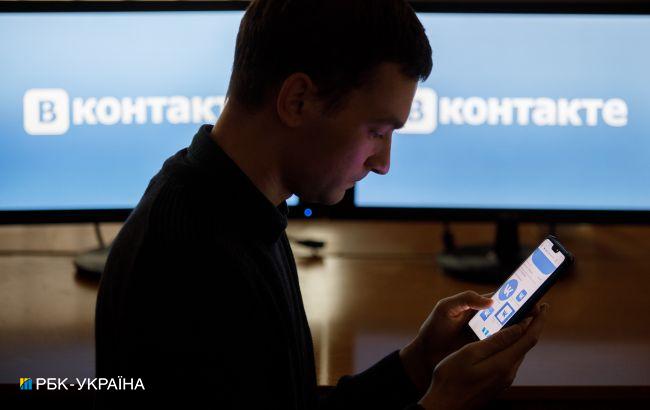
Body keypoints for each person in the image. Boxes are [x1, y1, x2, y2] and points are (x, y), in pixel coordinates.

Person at [95, 0, 549, 409]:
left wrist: (419, 361)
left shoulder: (241, 208)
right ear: (298, 101)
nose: (383, 164)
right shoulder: (195, 264)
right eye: (377, 132)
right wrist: (444, 403)